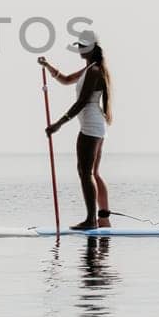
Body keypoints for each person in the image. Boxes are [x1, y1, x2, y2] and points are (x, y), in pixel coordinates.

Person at [39, 29, 114, 230]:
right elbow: (64, 79)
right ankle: (103, 219)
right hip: (96, 125)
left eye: (81, 45)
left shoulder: (95, 71)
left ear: (89, 47)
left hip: (90, 126)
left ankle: (91, 221)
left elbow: (81, 102)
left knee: (85, 172)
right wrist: (47, 66)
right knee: (92, 172)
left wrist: (59, 123)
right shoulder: (90, 68)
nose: (78, 49)